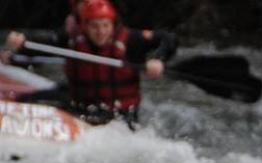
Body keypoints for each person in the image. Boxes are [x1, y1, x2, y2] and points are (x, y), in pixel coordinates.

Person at [2, 0, 176, 125]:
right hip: (81, 110)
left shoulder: (131, 39)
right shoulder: (72, 39)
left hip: (120, 118)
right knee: (25, 99)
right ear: (85, 26)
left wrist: (158, 60)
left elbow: (168, 39)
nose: (100, 32)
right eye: (95, 26)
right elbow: (42, 44)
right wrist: (21, 42)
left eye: (105, 26)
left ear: (113, 24)